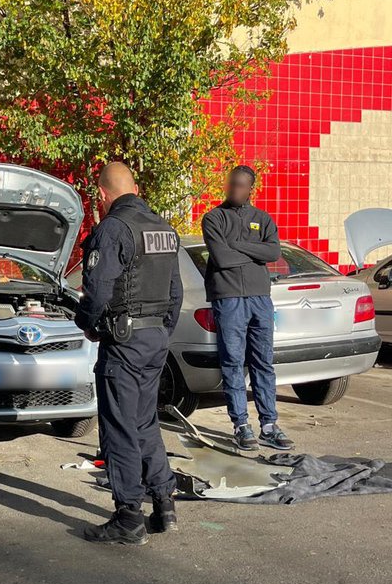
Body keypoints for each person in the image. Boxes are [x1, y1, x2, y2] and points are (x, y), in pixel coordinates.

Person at [75, 161, 183, 546]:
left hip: (124, 343)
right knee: (144, 422)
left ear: (103, 194)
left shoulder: (113, 228)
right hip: (155, 339)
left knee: (119, 427)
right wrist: (160, 332)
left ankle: (128, 517)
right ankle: (164, 503)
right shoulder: (162, 228)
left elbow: (98, 291)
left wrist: (85, 322)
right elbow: (176, 294)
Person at [200, 165, 295, 451]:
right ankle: (241, 425)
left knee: (263, 363)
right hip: (228, 299)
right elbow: (221, 257)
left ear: (251, 188)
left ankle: (269, 425)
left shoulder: (262, 219)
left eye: (241, 185)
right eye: (231, 185)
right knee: (232, 362)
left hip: (260, 299)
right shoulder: (214, 218)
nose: (234, 190)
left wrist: (237, 245)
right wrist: (254, 252)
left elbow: (273, 252)